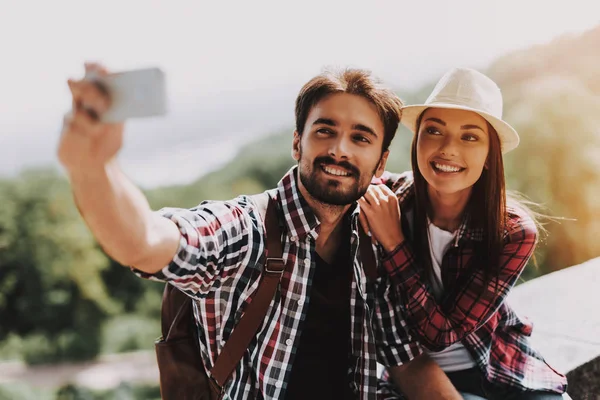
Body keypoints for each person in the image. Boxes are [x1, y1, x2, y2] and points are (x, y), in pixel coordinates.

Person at [57, 63, 463, 399]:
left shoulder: (375, 245)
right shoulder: (247, 230)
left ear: (380, 164)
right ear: (296, 143)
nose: (340, 149)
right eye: (325, 130)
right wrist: (92, 168)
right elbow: (147, 242)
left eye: (360, 138)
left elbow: (406, 359)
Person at [359, 67, 570, 399]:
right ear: (417, 141)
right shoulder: (390, 201)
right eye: (434, 131)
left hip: (498, 365)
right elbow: (335, 181)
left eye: (470, 136)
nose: (448, 149)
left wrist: (395, 244)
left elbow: (442, 334)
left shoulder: (512, 231)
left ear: (490, 155)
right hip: (411, 374)